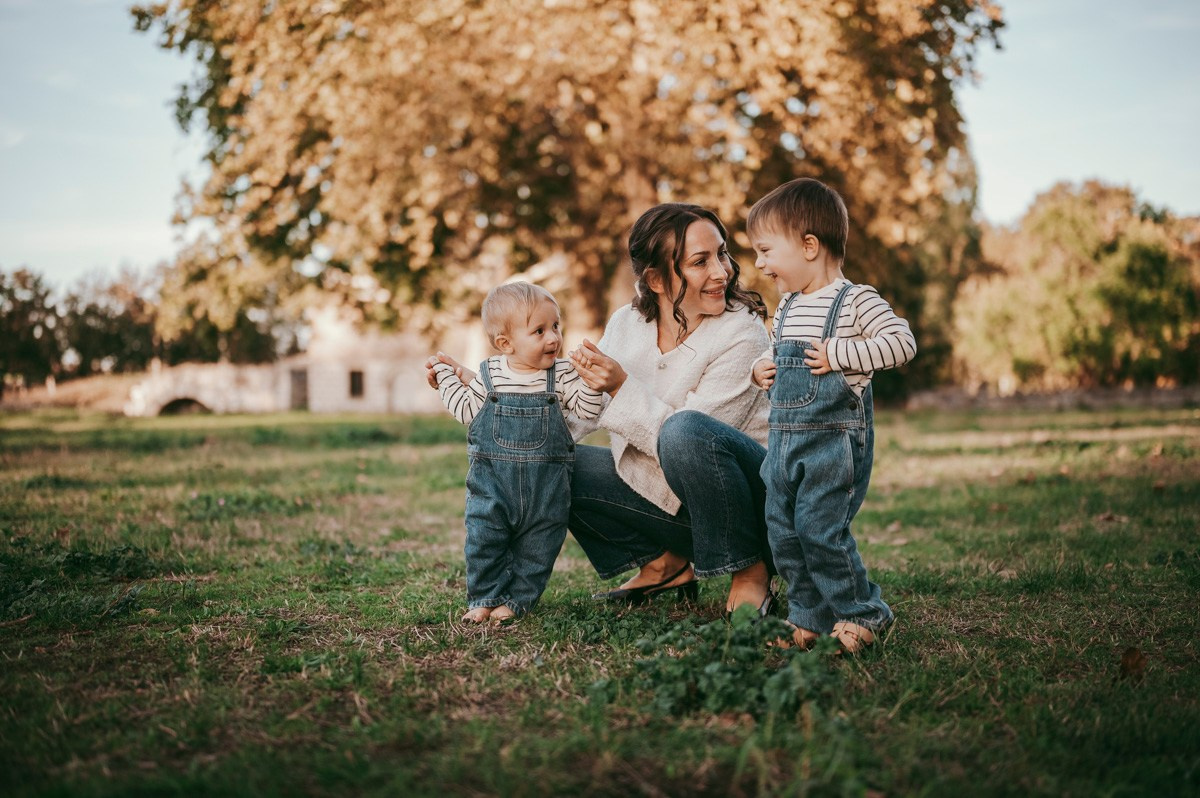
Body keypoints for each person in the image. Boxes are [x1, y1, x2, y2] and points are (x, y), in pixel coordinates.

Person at [564, 203, 775, 616]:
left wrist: (621, 387)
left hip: (750, 510)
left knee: (684, 431)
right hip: (676, 507)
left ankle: (751, 570)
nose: (722, 271)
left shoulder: (742, 334)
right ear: (656, 279)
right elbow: (580, 408)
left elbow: (694, 442)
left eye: (721, 253)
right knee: (555, 460)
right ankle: (665, 564)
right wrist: (502, 400)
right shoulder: (626, 323)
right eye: (700, 261)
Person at [747, 177, 917, 653]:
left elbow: (902, 343)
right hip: (783, 446)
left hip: (832, 445)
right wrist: (761, 367)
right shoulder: (787, 306)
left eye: (765, 250)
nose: (758, 263)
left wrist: (840, 353)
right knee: (784, 533)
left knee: (820, 532)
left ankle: (862, 613)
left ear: (809, 246)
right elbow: (777, 353)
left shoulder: (856, 300)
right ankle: (808, 617)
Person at [425, 282, 603, 623]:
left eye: (556, 326)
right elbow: (465, 410)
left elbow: (587, 411)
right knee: (483, 539)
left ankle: (519, 599)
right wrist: (445, 376)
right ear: (505, 343)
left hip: (547, 486)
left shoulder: (563, 374)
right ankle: (484, 596)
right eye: (539, 331)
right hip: (492, 483)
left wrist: (592, 384)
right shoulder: (489, 374)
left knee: (539, 547)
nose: (553, 338)